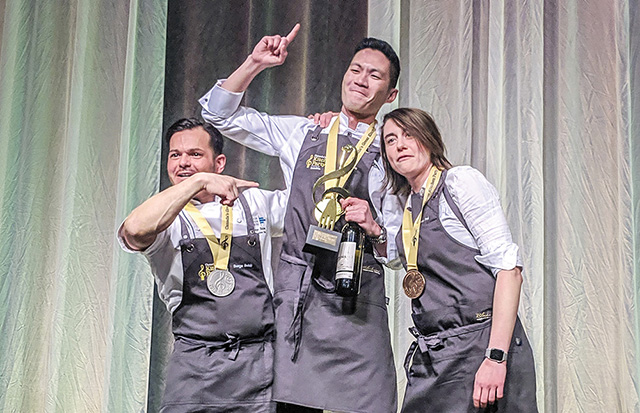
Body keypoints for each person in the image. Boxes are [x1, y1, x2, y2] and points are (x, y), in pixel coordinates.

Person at [199, 24, 403, 413]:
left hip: (356, 299)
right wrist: (255, 63)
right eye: (356, 70)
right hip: (300, 296)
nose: (361, 80)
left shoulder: (391, 151)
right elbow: (218, 114)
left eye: (374, 75)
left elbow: (397, 250)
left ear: (390, 94)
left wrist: (375, 227)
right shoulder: (304, 130)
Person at [118, 118, 288, 413]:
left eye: (195, 155)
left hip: (260, 362)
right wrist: (197, 181)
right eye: (175, 155)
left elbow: (310, 206)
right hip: (195, 365)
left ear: (219, 162)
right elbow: (134, 230)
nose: (183, 162)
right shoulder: (164, 217)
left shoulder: (254, 202)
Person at [379, 107, 537, 412]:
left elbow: (509, 270)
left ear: (430, 139)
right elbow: (397, 258)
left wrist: (496, 358)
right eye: (390, 140)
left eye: (409, 134)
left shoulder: (459, 182)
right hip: (434, 353)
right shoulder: (403, 205)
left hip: (479, 346)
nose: (399, 145)